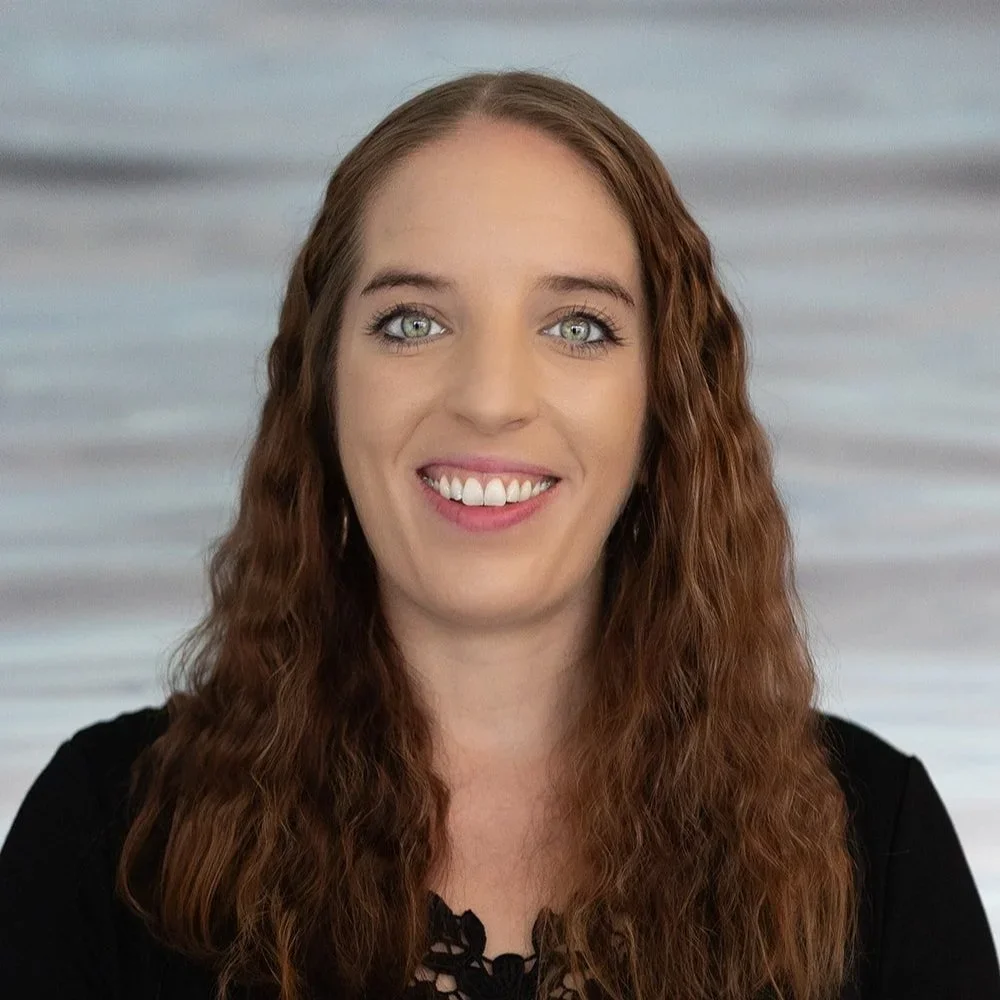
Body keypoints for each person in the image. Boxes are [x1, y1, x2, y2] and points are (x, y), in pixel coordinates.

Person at [1, 69, 997, 1000]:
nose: (488, 398)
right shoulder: (106, 838)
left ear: (664, 412)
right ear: (321, 390)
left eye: (575, 326)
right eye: (411, 321)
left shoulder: (877, 845)